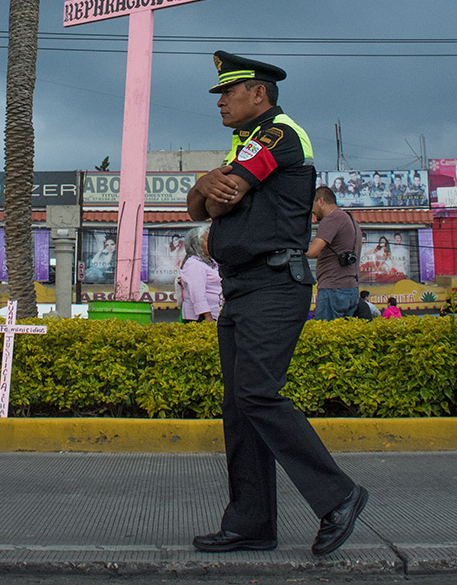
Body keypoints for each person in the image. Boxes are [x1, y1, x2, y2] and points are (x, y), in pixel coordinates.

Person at [186, 52, 366, 558]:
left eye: (228, 91)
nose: (220, 100)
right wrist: (202, 186)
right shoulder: (245, 143)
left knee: (258, 393)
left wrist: (208, 188)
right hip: (242, 286)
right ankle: (251, 524)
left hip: (274, 282)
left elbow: (220, 201)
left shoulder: (278, 134)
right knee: (239, 406)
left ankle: (340, 496)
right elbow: (200, 202)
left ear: (258, 93)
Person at [306, 187, 361, 322]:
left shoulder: (331, 219)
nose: (312, 211)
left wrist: (291, 246)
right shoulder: (350, 220)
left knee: (325, 335)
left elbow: (312, 251)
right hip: (351, 288)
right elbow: (331, 252)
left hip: (333, 288)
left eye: (312, 204)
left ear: (321, 201)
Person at [177, 225, 222, 322]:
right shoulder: (194, 264)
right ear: (197, 244)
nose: (211, 244)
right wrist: (207, 316)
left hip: (216, 314)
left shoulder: (210, 262)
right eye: (206, 241)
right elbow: (197, 293)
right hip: (201, 318)